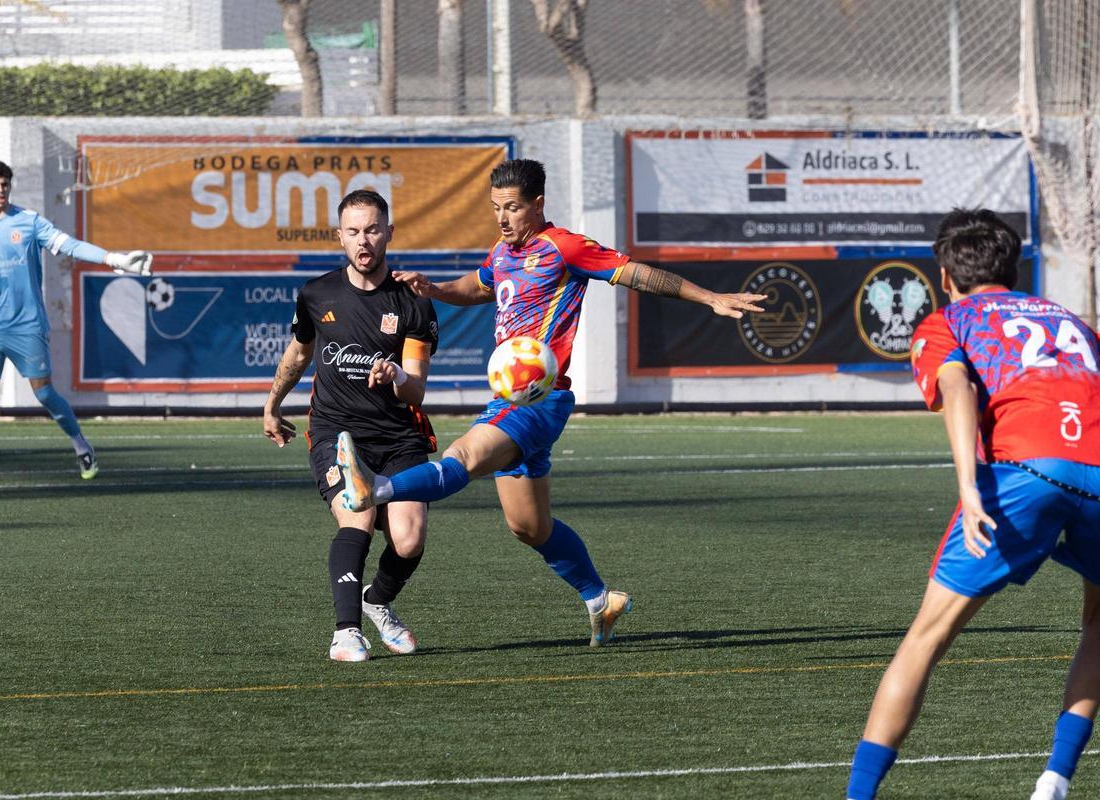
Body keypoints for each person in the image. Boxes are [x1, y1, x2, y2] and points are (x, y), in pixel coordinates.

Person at [336, 158, 765, 647]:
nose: (503, 218)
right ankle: (600, 599)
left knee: (463, 457)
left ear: (537, 204)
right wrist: (434, 289)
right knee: (528, 526)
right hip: (514, 398)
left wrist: (708, 297)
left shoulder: (565, 247)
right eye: (496, 208)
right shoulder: (503, 250)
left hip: (537, 399)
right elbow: (479, 286)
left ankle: (377, 488)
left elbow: (635, 274)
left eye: (513, 208)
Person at [845, 209, 1100, 800]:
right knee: (1098, 622)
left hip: (1025, 472)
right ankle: (1056, 779)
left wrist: (968, 485)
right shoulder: (1072, 322)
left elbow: (956, 386)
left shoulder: (950, 321)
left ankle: (859, 796)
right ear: (1015, 270)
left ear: (944, 276)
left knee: (926, 639)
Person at [263, 189, 439, 663]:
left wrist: (396, 375)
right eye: (354, 231)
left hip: (398, 437)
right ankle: (346, 632)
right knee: (357, 515)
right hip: (337, 434)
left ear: (389, 233)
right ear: (340, 236)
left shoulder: (413, 302)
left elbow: (416, 390)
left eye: (373, 230)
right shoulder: (316, 294)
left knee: (409, 540)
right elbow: (298, 353)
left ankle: (376, 601)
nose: (364, 240)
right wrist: (272, 405)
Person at [0, 160, 152, 484]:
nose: (0, 190)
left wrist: (112, 258)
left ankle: (82, 446)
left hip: (28, 325)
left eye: (4, 184)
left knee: (45, 394)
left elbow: (70, 246)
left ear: (10, 186)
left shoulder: (30, 222)